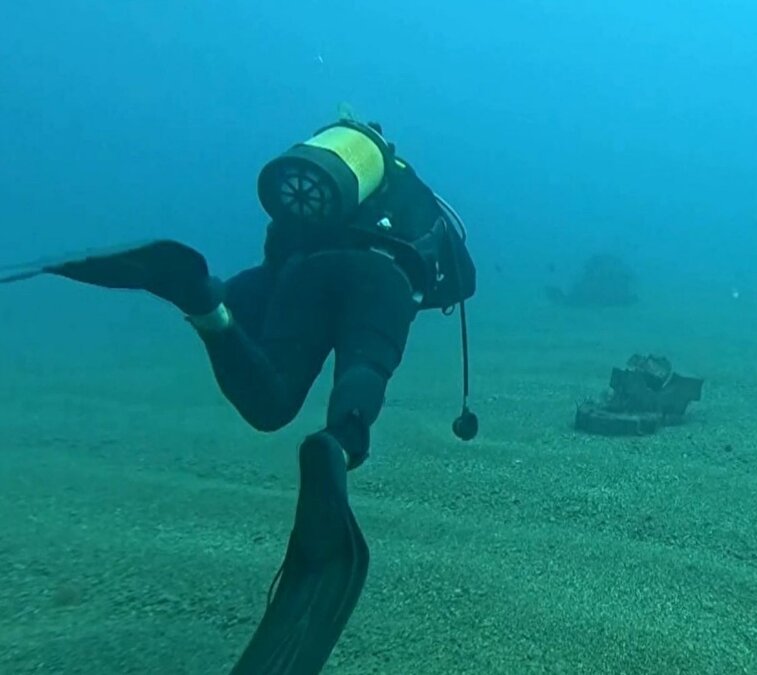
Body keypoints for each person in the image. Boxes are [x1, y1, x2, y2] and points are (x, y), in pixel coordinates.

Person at [1, 114, 478, 674]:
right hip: (388, 277)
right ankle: (341, 440)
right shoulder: (418, 197)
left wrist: (239, 299)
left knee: (270, 401)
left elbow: (275, 265)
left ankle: (203, 305)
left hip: (303, 272)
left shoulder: (321, 206)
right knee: (367, 362)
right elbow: (461, 277)